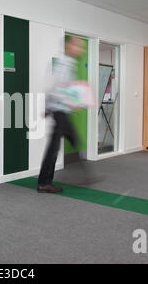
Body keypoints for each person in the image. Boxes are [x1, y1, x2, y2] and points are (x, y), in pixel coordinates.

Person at [38, 36, 91, 193]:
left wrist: (47, 108)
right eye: (79, 46)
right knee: (58, 146)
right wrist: (71, 102)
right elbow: (57, 87)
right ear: (70, 46)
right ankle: (45, 182)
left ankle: (46, 181)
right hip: (60, 111)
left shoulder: (67, 62)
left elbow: (55, 86)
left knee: (63, 144)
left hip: (59, 110)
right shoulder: (64, 63)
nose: (81, 50)